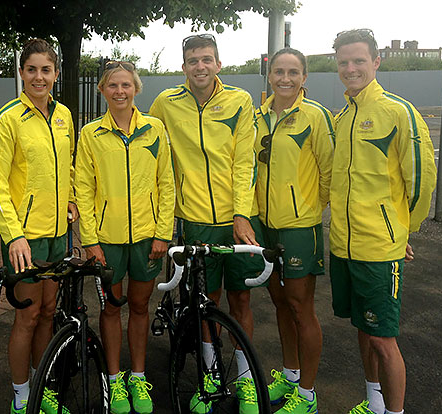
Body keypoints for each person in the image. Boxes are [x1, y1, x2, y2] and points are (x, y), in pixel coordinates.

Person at [149, 34, 262, 414]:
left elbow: (246, 161)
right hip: (194, 220)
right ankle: (212, 376)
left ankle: (246, 380)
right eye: (193, 60)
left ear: (218, 64)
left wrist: (241, 213)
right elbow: (150, 149)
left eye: (207, 59)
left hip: (238, 220)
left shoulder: (240, 101)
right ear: (184, 66)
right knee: (205, 302)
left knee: (241, 299)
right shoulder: (166, 103)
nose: (200, 66)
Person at [330, 29, 436, 414]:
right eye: (344, 62)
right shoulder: (341, 117)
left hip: (379, 247)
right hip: (343, 244)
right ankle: (374, 401)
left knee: (383, 339)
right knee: (364, 326)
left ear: (377, 61)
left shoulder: (398, 111)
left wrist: (404, 230)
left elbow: (421, 181)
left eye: (359, 60)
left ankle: (395, 411)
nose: (351, 68)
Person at [74, 61, 175, 414]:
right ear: (102, 90)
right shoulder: (90, 134)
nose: (120, 91)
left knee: (140, 307)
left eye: (126, 85)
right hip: (107, 239)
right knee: (111, 308)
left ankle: (137, 375)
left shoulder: (155, 128)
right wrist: (90, 240)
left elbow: (166, 183)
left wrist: (164, 233)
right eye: (113, 85)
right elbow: (83, 190)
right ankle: (115, 380)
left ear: (136, 89)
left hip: (148, 238)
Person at [0, 38, 77, 414]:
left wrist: (70, 197)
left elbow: (66, 165)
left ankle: (44, 387)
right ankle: (23, 395)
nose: (39, 77)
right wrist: (14, 235)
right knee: (26, 316)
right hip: (26, 238)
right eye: (31, 69)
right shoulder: (9, 118)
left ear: (55, 74)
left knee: (48, 310)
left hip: (58, 234)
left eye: (46, 70)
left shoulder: (63, 115)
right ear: (21, 73)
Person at [253, 47, 335, 414]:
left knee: (303, 309)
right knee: (280, 304)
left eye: (293, 72)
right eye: (279, 71)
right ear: (269, 75)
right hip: (265, 227)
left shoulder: (315, 117)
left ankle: (307, 395)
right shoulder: (257, 117)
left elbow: (330, 173)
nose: (285, 78)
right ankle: (289, 374)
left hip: (300, 228)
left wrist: (307, 207)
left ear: (305, 77)